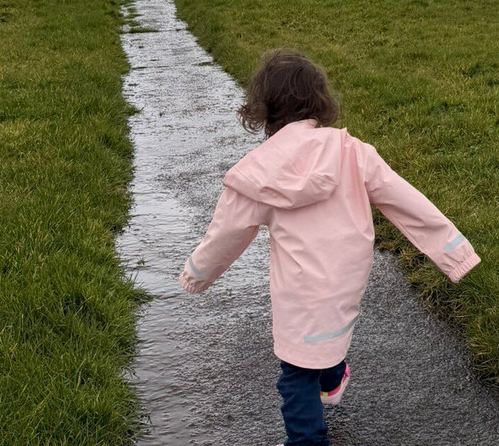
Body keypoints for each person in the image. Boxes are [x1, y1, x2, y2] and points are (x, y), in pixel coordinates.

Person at [178, 49, 481, 446]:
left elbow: (225, 235)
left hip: (299, 289)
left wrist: (197, 274)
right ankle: (333, 380)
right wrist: (454, 251)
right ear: (319, 100)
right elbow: (406, 202)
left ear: (262, 108)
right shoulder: (352, 152)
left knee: (295, 375)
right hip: (347, 276)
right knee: (328, 333)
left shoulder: (256, 174)